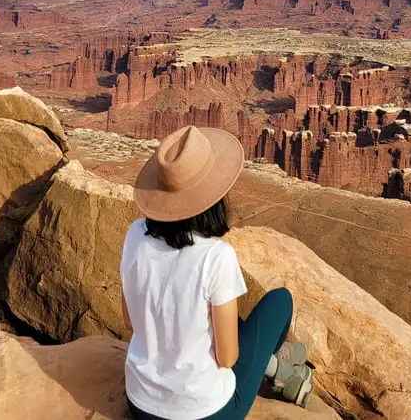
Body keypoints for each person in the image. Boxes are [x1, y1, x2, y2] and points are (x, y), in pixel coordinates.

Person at [121, 124, 313, 420]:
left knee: (221, 314)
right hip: (208, 414)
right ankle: (276, 369)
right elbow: (227, 359)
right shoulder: (216, 257)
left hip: (140, 405)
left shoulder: (134, 235)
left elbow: (130, 321)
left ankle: (278, 368)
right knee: (280, 301)